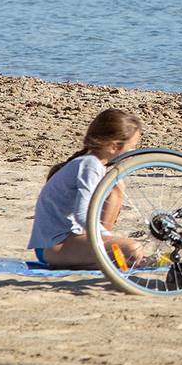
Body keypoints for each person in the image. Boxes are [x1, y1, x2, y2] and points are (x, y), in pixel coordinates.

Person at [27, 108, 144, 268]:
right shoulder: (90, 165)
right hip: (54, 246)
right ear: (113, 146)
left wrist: (107, 239)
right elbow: (82, 215)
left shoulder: (93, 164)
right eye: (132, 146)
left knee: (116, 186)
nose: (133, 151)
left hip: (71, 238)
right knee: (133, 250)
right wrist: (108, 237)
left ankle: (98, 258)